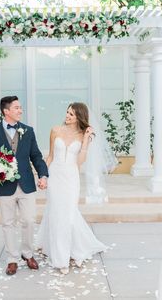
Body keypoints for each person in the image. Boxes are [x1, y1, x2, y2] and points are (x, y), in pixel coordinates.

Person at [0, 96, 48, 276]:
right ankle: (12, 259)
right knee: (8, 223)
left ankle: (27, 254)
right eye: (17, 107)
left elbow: (36, 156)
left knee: (28, 219)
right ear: (6, 111)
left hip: (26, 184)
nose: (20, 110)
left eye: (20, 107)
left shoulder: (28, 131)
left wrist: (43, 175)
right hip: (4, 186)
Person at [37, 102, 106, 275]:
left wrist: (84, 141)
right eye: (67, 112)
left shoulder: (84, 135)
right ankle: (61, 259)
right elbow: (51, 156)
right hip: (55, 176)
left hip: (71, 178)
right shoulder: (55, 130)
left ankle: (73, 249)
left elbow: (80, 162)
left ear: (79, 118)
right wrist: (43, 176)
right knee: (56, 213)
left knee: (68, 215)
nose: (67, 116)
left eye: (72, 115)